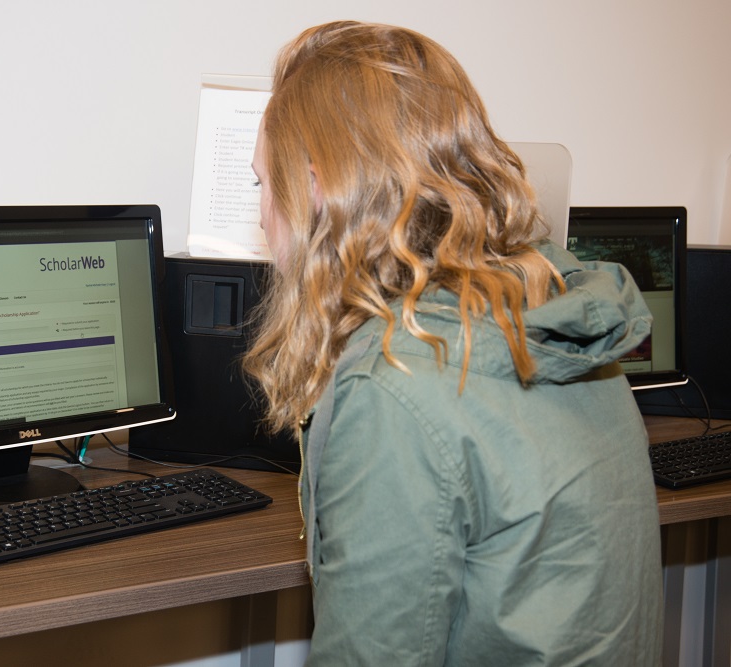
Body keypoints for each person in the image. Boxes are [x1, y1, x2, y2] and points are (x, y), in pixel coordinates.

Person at [244, 21, 663, 666]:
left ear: (317, 187)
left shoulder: (394, 385)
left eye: (264, 185)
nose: (263, 215)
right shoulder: (562, 315)